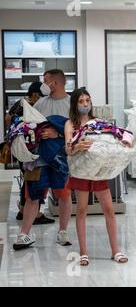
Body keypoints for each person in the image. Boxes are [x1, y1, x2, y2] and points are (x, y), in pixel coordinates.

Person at [65, 88, 129, 266]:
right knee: (82, 210)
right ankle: (83, 252)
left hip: (99, 171)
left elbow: (113, 138)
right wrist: (78, 146)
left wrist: (123, 141)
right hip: (81, 171)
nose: (85, 104)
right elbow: (67, 149)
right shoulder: (70, 124)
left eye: (87, 100)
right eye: (81, 101)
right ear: (75, 104)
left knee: (109, 210)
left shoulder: (98, 122)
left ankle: (115, 250)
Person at [13, 69, 72, 250]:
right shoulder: (39, 103)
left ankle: (63, 232)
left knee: (63, 194)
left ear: (55, 83)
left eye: (46, 81)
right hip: (38, 159)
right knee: (32, 196)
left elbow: (79, 131)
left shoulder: (72, 104)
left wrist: (58, 132)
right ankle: (24, 235)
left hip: (61, 159)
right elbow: (29, 126)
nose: (43, 84)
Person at [5, 81, 55, 225]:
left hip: (20, 147)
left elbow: (8, 119)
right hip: (31, 149)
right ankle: (34, 214)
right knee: (34, 180)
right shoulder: (33, 106)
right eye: (41, 96)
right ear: (34, 95)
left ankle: (23, 210)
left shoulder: (20, 103)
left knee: (27, 179)